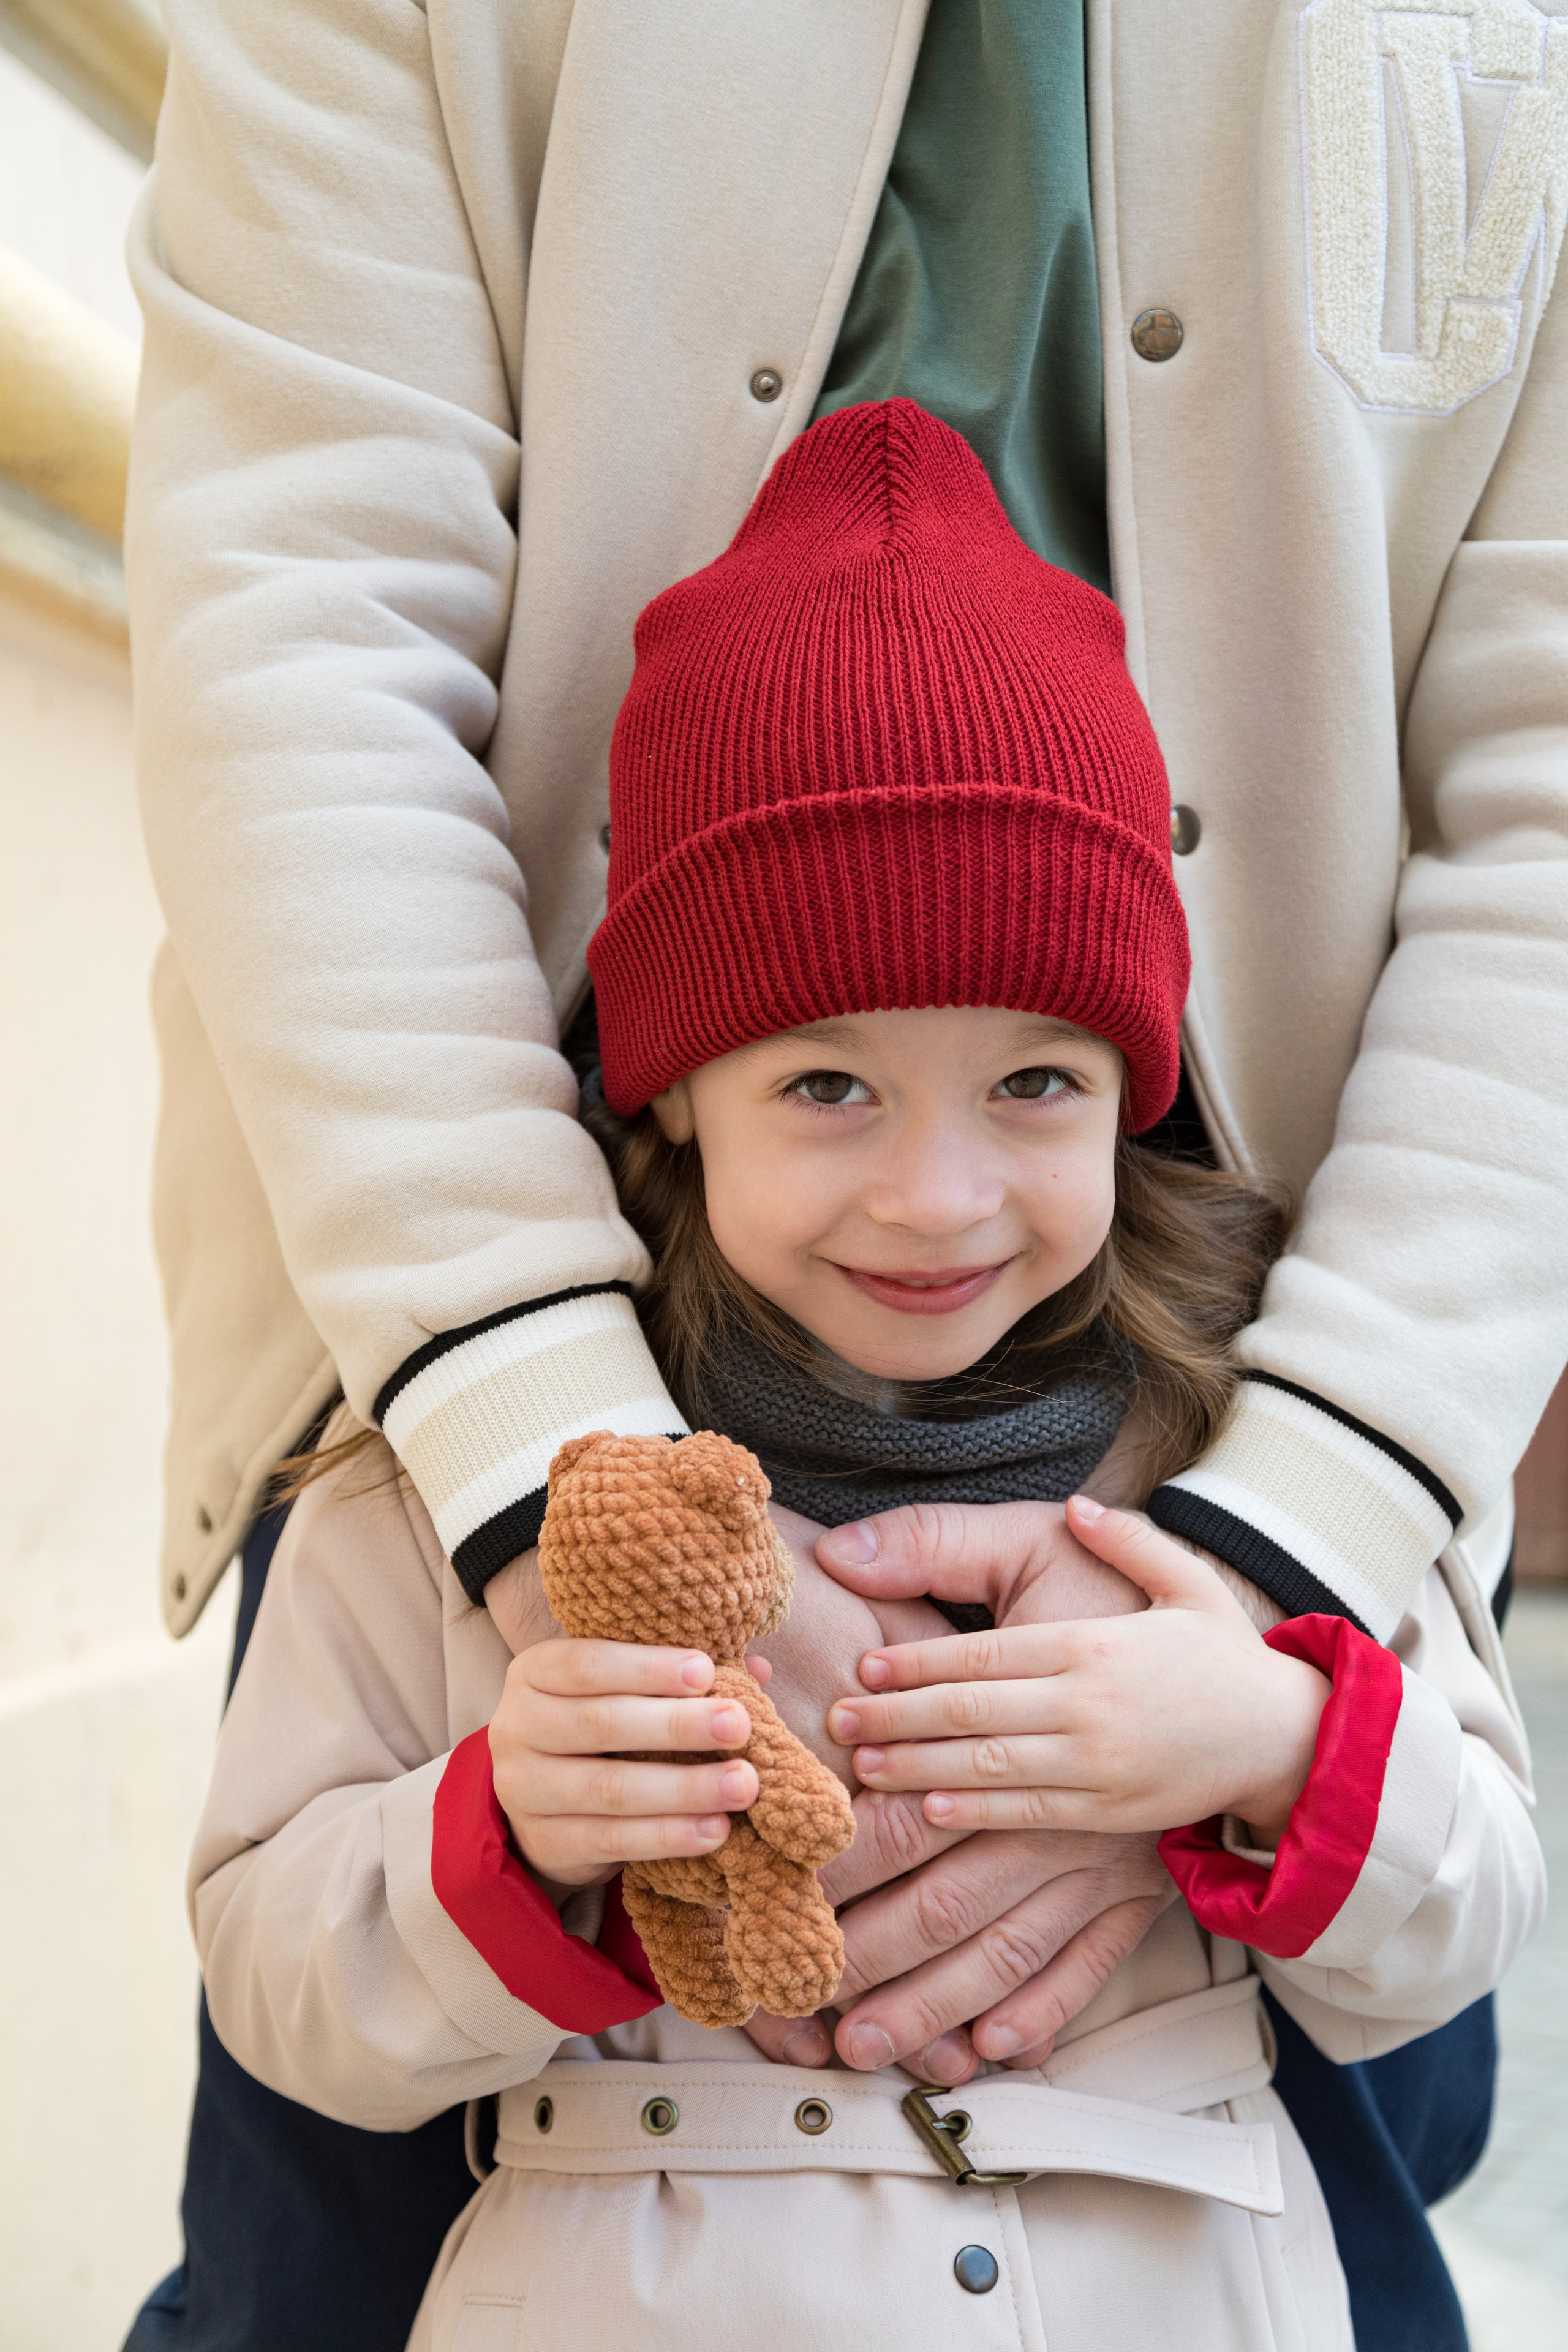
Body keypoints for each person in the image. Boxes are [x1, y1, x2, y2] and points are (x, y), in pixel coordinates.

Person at [124, 0, 1568, 2342]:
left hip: (1305, 1399)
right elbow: (296, 616)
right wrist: (536, 1517)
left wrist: (1275, 1635)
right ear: (683, 1080)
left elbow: (1455, 1898)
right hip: (467, 1341)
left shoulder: (1245, 1513)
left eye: (1033, 1084)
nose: (935, 1198)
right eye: (822, 1088)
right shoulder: (400, 1541)